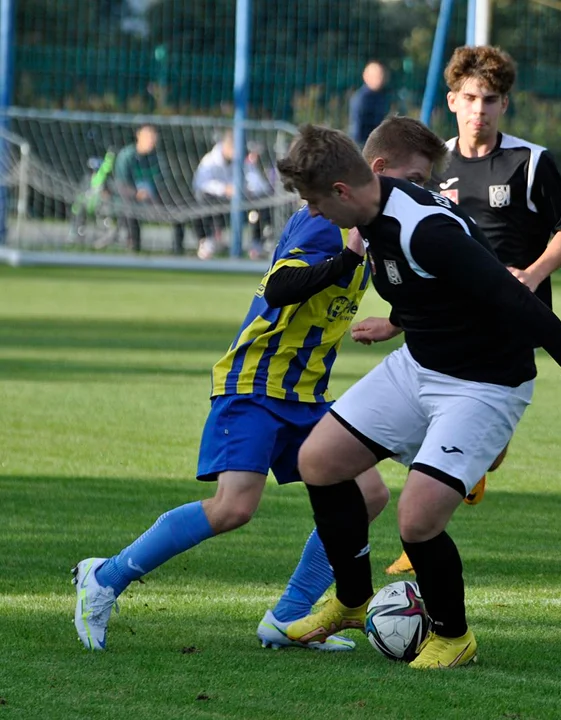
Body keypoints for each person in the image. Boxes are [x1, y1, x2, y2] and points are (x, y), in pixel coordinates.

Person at [71, 116, 449, 653]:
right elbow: (279, 287)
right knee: (234, 507)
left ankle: (290, 616)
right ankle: (104, 578)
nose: (423, 190)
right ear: (380, 169)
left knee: (367, 494)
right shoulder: (327, 224)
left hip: (306, 394)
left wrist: (396, 321)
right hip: (255, 383)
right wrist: (348, 257)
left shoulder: (379, 227)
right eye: (417, 178)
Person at [273, 124, 561, 669]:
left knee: (417, 518)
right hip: (420, 365)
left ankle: (453, 635)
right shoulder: (371, 218)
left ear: (343, 190)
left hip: (486, 383)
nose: (313, 211)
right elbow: (435, 289)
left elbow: (508, 294)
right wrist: (400, 321)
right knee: (320, 460)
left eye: (314, 200)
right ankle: (352, 601)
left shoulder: (422, 227)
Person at [379, 47, 561, 576]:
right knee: (434, 419)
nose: (480, 110)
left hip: (511, 318)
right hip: (447, 321)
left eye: (490, 100)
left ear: (504, 104)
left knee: (481, 448)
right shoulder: (432, 164)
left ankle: (443, 497)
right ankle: (418, 532)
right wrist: (398, 319)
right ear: (452, 100)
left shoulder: (529, 161)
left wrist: (533, 276)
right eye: (470, 98)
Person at [191, 130, 274, 260]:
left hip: (240, 203)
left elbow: (258, 183)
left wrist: (247, 189)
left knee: (262, 202)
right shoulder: (210, 161)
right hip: (217, 202)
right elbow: (199, 184)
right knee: (201, 200)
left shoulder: (242, 161)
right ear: (227, 146)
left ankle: (257, 245)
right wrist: (224, 189)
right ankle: (206, 242)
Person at [111, 124, 184, 254]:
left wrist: (158, 196)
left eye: (153, 136)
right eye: (148, 136)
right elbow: (121, 185)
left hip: (152, 199)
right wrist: (137, 194)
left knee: (178, 207)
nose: (151, 140)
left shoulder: (157, 158)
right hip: (129, 200)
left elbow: (163, 183)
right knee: (130, 209)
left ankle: (178, 249)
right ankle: (135, 246)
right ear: (138, 136)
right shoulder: (126, 157)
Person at [349, 61, 390, 147]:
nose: (381, 78)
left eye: (382, 75)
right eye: (376, 76)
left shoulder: (381, 96)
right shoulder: (362, 99)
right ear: (366, 77)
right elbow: (357, 129)